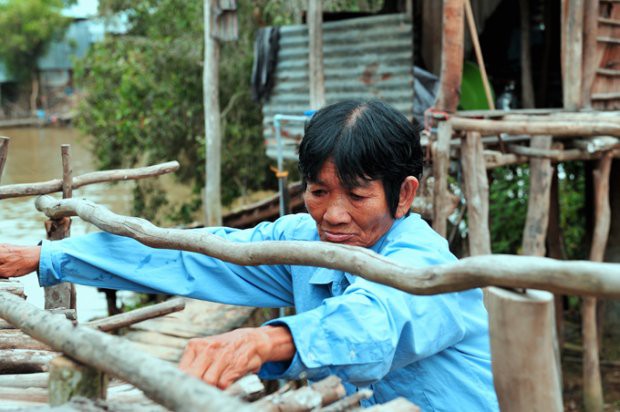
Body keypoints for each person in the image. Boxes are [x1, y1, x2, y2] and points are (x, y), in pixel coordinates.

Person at [0, 100, 498, 410]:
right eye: (319, 191)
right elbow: (192, 257)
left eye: (357, 195)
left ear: (404, 195)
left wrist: (267, 341)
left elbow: (373, 322)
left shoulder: (429, 266)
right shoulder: (304, 240)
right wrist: (45, 257)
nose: (334, 215)